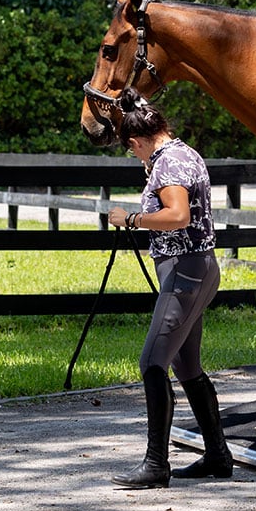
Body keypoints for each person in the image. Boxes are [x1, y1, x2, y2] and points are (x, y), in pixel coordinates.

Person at [106, 89, 233, 489]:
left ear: (138, 141)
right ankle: (217, 454)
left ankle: (156, 465)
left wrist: (132, 219)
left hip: (185, 273)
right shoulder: (184, 152)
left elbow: (177, 216)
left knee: (152, 362)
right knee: (186, 365)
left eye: (133, 151)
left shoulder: (167, 165)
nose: (137, 157)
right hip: (197, 270)